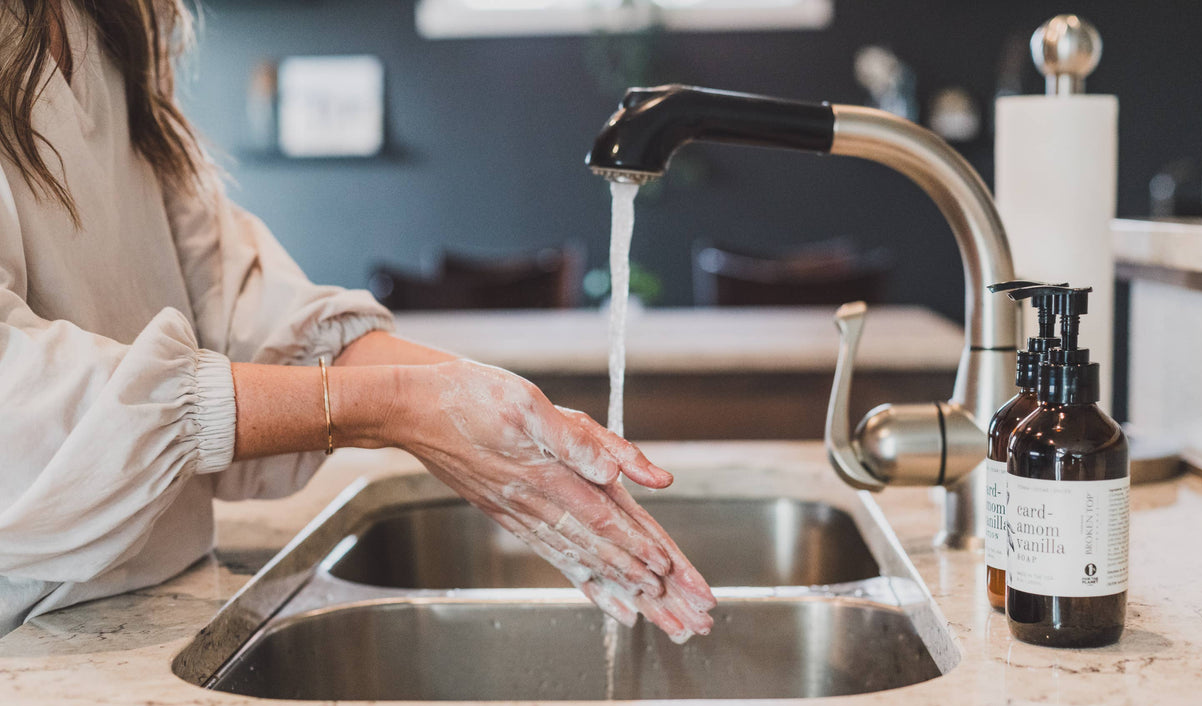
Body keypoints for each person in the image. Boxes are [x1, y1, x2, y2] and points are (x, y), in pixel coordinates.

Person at [0, 0, 715, 639]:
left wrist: (474, 403)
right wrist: (395, 407)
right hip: (27, 654)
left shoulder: (115, 17)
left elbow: (227, 294)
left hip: (149, 618)